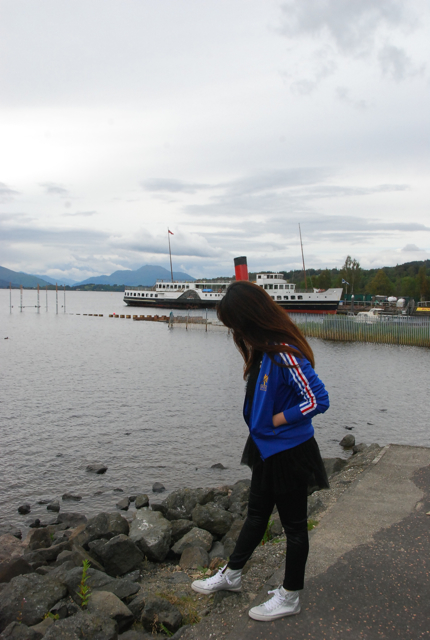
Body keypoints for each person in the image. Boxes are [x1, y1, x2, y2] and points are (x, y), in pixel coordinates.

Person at [191, 280, 330, 622]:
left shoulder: (285, 353)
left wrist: (276, 420)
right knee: (256, 515)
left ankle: (290, 596)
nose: (234, 332)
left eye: (235, 324)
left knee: (295, 528)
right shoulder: (265, 350)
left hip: (290, 451)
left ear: (250, 319)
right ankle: (232, 574)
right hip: (266, 448)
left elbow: (318, 399)